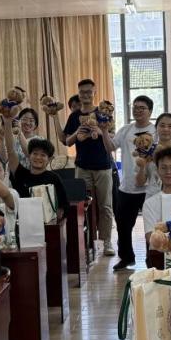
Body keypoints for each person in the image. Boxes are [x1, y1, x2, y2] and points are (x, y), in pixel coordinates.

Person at [62, 79, 115, 256]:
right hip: (82, 167)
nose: (85, 95)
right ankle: (85, 241)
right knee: (81, 206)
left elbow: (113, 137)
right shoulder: (74, 116)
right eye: (82, 92)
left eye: (88, 92)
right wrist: (79, 131)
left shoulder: (103, 113)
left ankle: (106, 241)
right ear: (79, 94)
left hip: (103, 166)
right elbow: (67, 141)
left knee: (105, 206)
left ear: (94, 92)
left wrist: (100, 131)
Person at [111, 96, 156, 270]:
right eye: (135, 107)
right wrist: (104, 131)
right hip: (127, 187)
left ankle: (151, 259)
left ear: (150, 111)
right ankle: (126, 257)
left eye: (142, 108)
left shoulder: (156, 130)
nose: (137, 110)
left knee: (151, 226)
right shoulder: (126, 130)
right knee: (123, 225)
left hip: (150, 187)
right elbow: (111, 147)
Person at [2, 131, 69, 220]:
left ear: (49, 159)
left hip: (48, 224)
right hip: (22, 222)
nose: (38, 157)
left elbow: (63, 206)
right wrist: (8, 124)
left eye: (43, 155)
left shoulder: (54, 178)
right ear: (29, 155)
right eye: (35, 153)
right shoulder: (20, 173)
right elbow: (10, 150)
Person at [141, 145, 171, 252]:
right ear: (158, 170)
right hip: (161, 255)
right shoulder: (150, 203)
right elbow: (150, 237)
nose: (168, 172)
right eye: (163, 168)